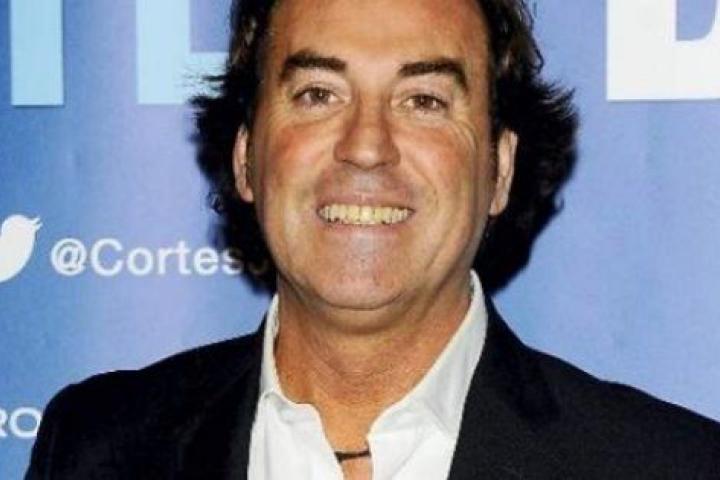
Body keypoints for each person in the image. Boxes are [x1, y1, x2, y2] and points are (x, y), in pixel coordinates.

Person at [26, 0, 720, 478]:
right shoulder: (96, 447)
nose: (366, 146)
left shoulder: (670, 465)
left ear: (500, 170)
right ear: (245, 156)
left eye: (424, 101)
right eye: (318, 94)